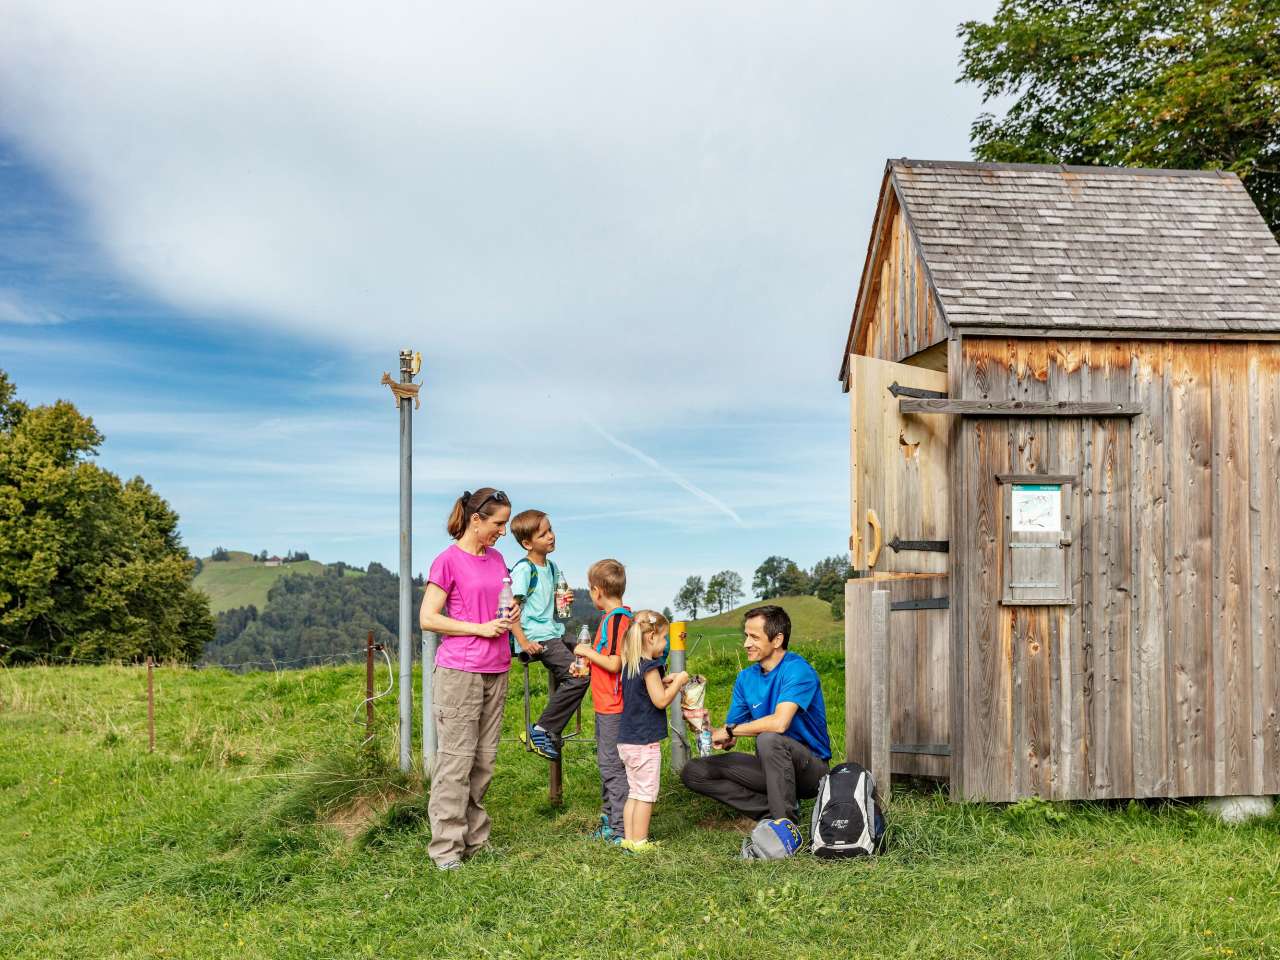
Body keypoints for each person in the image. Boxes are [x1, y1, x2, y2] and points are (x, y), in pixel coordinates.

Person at [419, 487, 518, 870]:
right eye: (498, 524)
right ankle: (446, 849)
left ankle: (476, 839)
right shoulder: (447, 561)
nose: (502, 531)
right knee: (456, 763)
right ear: (476, 520)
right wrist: (479, 628)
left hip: (497, 668)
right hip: (460, 670)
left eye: (505, 524)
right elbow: (429, 618)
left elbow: (500, 603)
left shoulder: (497, 559)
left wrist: (509, 618)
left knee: (484, 762)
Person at [679, 605, 831, 827]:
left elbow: (779, 723)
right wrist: (705, 727)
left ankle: (785, 827)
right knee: (694, 771)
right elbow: (731, 735)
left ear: (777, 640)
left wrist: (730, 730)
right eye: (746, 636)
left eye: (754, 637)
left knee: (768, 738)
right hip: (771, 768)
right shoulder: (745, 678)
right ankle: (768, 812)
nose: (746, 644)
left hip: (810, 771)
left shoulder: (798, 671)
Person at [508, 509, 587, 760]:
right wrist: (523, 643)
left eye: (550, 530)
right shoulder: (523, 570)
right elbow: (511, 610)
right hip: (536, 636)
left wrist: (562, 600)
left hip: (553, 629)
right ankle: (541, 730)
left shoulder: (552, 567)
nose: (551, 536)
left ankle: (550, 730)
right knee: (578, 676)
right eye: (543, 534)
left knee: (592, 655)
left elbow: (545, 606)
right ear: (527, 543)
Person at [616, 610, 688, 850]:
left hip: (627, 741)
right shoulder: (651, 667)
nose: (666, 643)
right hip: (644, 743)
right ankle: (641, 842)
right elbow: (660, 700)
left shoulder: (631, 665)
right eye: (664, 638)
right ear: (651, 638)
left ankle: (628, 839)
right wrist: (678, 681)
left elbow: (644, 692)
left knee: (634, 792)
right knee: (646, 794)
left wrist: (666, 680)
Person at [573, 558, 632, 843]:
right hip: (605, 705)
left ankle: (621, 830)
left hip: (615, 706)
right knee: (607, 764)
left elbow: (614, 663)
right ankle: (610, 821)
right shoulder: (615, 618)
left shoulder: (618, 619)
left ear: (596, 591)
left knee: (612, 767)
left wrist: (585, 650)